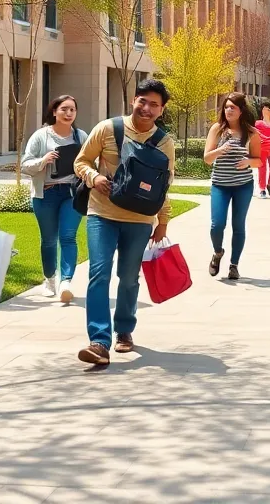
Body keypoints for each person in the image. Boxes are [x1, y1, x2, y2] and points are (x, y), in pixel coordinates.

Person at [73, 79, 175, 363]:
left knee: (129, 279)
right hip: (101, 213)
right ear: (133, 100)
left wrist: (162, 221)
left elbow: (164, 184)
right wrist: (94, 177)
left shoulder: (164, 143)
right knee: (99, 273)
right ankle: (98, 341)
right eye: (142, 101)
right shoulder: (108, 129)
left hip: (140, 219)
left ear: (161, 109)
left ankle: (125, 330)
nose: (146, 108)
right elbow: (81, 161)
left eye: (154, 104)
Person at [21, 95, 88, 304]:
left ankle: (65, 282)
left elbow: (90, 161)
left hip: (71, 193)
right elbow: (25, 165)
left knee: (68, 236)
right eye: (64, 109)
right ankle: (50, 278)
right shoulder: (41, 136)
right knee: (48, 239)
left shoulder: (80, 136)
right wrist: (44, 160)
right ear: (54, 111)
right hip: (46, 193)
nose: (69, 114)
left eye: (72, 110)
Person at [205, 92, 262, 280]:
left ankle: (234, 265)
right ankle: (217, 252)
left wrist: (248, 162)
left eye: (233, 107)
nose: (228, 110)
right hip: (220, 185)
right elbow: (207, 159)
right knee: (217, 225)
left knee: (238, 226)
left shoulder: (251, 132)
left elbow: (259, 161)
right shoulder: (217, 130)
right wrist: (220, 150)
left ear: (240, 111)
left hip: (243, 185)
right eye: (226, 107)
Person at [256, 102, 270, 198]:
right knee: (262, 169)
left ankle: (269, 184)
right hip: (262, 149)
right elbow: (257, 135)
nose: (266, 111)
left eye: (268, 110)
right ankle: (262, 189)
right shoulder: (258, 123)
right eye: (264, 109)